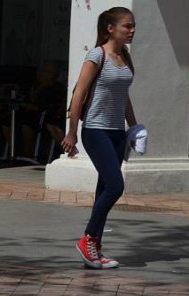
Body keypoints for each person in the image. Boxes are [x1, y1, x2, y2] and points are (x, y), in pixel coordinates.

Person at [62, 7, 137, 270]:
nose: (132, 30)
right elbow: (79, 94)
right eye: (127, 26)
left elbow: (123, 96)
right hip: (95, 130)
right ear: (110, 28)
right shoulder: (97, 55)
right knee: (115, 186)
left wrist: (135, 127)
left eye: (133, 26)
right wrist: (71, 133)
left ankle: (94, 249)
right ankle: (88, 240)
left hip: (117, 132)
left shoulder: (124, 56)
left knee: (104, 188)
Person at [17, 61, 66, 159]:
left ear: (54, 74)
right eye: (43, 71)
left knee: (27, 124)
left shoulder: (57, 88)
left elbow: (54, 104)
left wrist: (36, 107)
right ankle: (20, 154)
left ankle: (28, 155)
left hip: (46, 115)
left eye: (48, 71)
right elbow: (28, 99)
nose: (44, 73)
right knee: (9, 120)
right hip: (31, 114)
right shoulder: (36, 85)